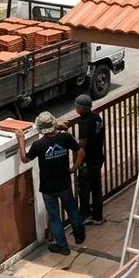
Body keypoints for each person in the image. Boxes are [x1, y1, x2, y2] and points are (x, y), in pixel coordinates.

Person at [15, 111, 85, 255]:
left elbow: (24, 159)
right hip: (64, 183)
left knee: (54, 216)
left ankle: (62, 246)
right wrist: (74, 168)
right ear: (54, 125)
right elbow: (81, 153)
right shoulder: (65, 138)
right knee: (72, 209)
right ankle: (79, 236)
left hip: (48, 187)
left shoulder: (38, 145)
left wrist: (21, 140)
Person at [59, 94, 106, 226]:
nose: (76, 109)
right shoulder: (97, 117)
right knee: (96, 188)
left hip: (88, 161)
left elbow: (82, 144)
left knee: (84, 189)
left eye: (77, 107)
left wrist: (76, 162)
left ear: (83, 108)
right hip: (97, 157)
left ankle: (85, 215)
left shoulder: (85, 123)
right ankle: (98, 216)